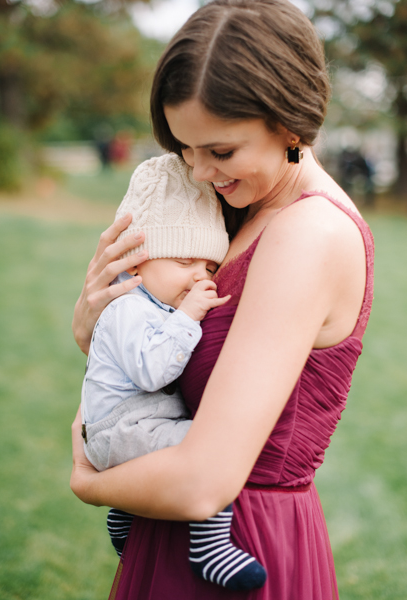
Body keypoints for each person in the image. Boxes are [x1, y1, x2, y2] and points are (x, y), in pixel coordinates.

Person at [68, 1, 373, 598]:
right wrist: (95, 330)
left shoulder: (308, 235)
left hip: (238, 542)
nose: (201, 173)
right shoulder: (240, 210)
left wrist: (87, 481)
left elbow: (204, 480)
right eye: (186, 149)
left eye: (222, 151)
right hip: (170, 519)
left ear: (291, 126)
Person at [81, 153, 267, 591]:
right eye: (184, 262)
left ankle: (122, 515)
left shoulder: (157, 304)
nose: (196, 279)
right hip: (117, 429)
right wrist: (187, 318)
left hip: (136, 424)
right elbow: (152, 373)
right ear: (136, 263)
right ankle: (209, 546)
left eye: (208, 268)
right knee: (209, 447)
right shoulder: (127, 308)